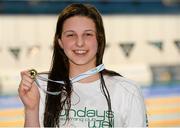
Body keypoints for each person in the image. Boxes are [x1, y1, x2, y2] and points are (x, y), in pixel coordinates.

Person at [18, 3, 147, 127]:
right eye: (71, 35)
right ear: (60, 42)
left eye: (88, 34)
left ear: (99, 39)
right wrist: (31, 109)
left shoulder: (128, 91)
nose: (80, 42)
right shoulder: (44, 88)